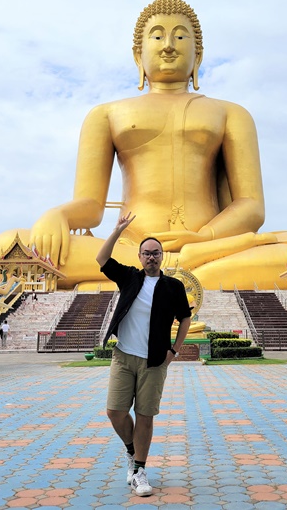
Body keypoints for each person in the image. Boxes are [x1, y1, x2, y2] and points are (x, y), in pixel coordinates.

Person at [0, 0, 287, 291]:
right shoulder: (107, 114)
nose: (168, 46)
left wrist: (201, 237)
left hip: (209, 245)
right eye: (157, 36)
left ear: (199, 55)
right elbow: (91, 208)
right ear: (139, 55)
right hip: (128, 246)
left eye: (180, 37)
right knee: (5, 246)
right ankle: (187, 273)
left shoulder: (231, 113)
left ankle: (146, 275)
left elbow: (251, 207)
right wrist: (58, 215)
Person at [96, 212, 191, 497]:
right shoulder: (128, 277)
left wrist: (175, 349)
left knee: (145, 415)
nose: (151, 257)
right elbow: (101, 259)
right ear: (139, 256)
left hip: (154, 360)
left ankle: (139, 470)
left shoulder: (173, 286)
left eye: (156, 253)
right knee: (115, 411)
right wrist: (117, 230)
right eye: (147, 253)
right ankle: (131, 451)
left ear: (163, 256)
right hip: (124, 355)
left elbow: (185, 318)